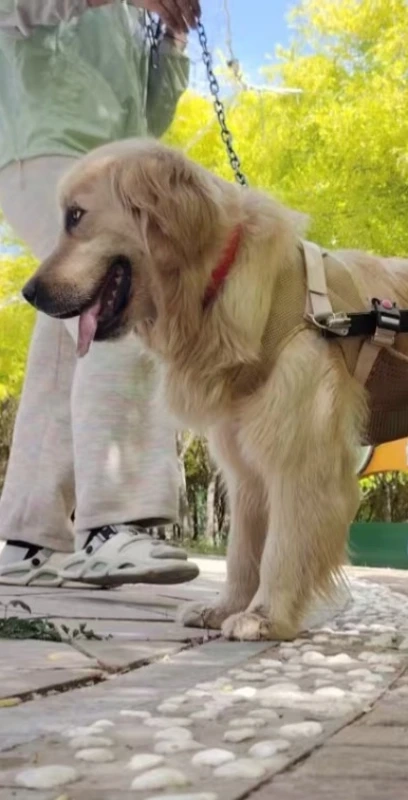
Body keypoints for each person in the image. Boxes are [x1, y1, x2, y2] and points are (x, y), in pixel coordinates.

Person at [0, 0, 203, 587]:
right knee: (125, 300)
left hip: (109, 166)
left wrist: (171, 40)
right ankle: (113, 526)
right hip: (43, 150)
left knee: (73, 340)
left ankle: (29, 538)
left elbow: (148, 118)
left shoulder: (127, 17)